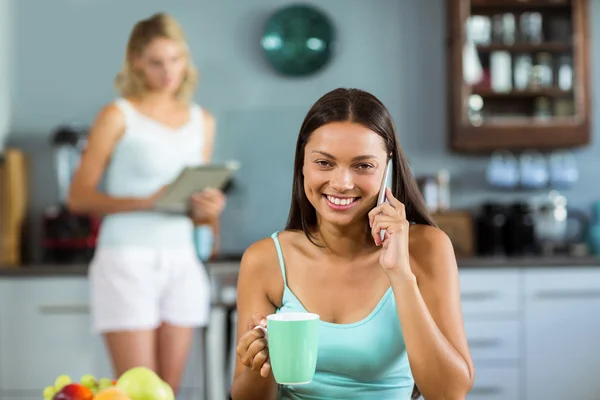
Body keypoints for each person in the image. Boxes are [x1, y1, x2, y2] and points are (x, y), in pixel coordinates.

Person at [231, 88, 474, 400]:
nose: (343, 183)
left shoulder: (426, 248)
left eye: (363, 166)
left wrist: (400, 273)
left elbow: (450, 393)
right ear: (302, 163)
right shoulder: (265, 259)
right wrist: (258, 362)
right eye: (324, 163)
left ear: (387, 167)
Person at [67, 12, 226, 393]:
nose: (168, 71)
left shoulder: (201, 121)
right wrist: (147, 201)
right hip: (127, 260)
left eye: (175, 59)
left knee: (167, 391)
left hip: (182, 260)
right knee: (137, 390)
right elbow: (78, 197)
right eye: (156, 61)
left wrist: (209, 215)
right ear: (136, 61)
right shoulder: (117, 115)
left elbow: (202, 217)